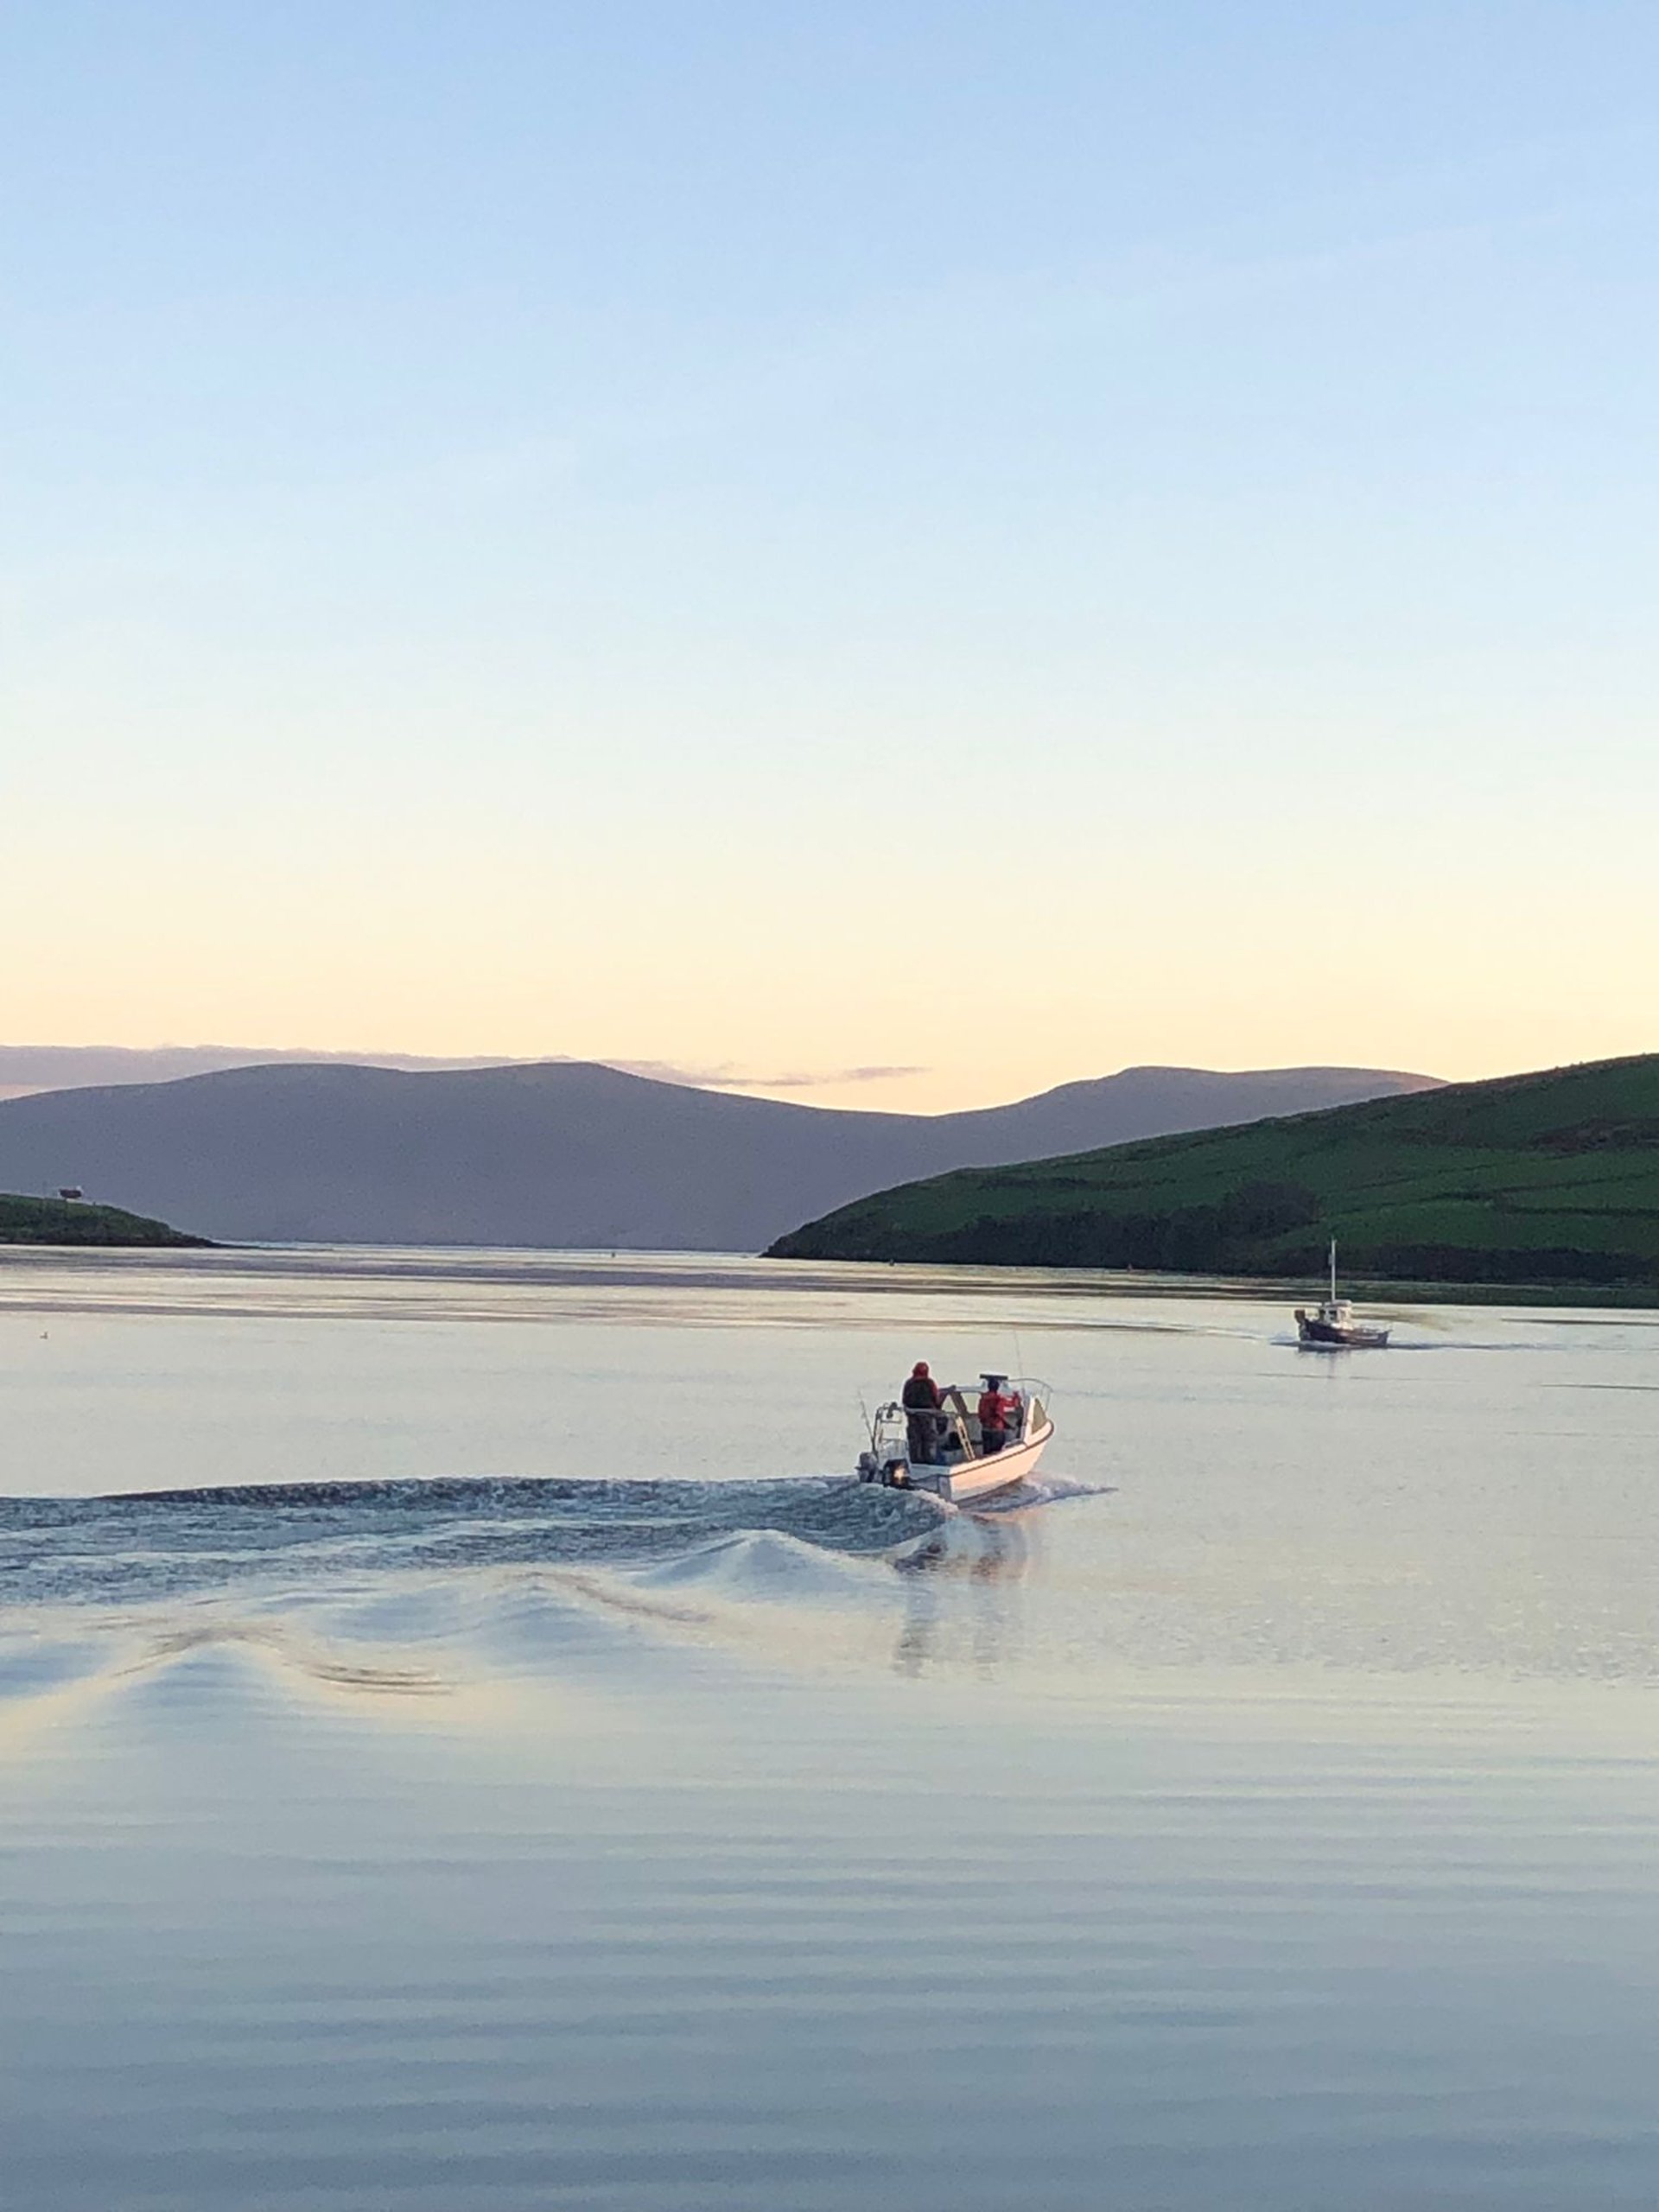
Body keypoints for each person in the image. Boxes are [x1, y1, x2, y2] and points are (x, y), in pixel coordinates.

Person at [901, 1360, 944, 1465]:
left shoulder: (909, 1383)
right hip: (928, 1415)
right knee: (928, 1438)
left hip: (912, 1415)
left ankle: (915, 1459)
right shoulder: (930, 1383)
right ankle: (929, 1459)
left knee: (915, 1438)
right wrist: (938, 1408)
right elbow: (936, 1398)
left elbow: (904, 1399)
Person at [976, 1376, 1018, 1454]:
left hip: (985, 1430)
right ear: (997, 1388)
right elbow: (1013, 1404)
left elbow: (980, 1414)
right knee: (997, 1453)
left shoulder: (982, 1400)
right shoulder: (999, 1400)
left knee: (987, 1454)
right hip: (996, 1431)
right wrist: (1016, 1396)